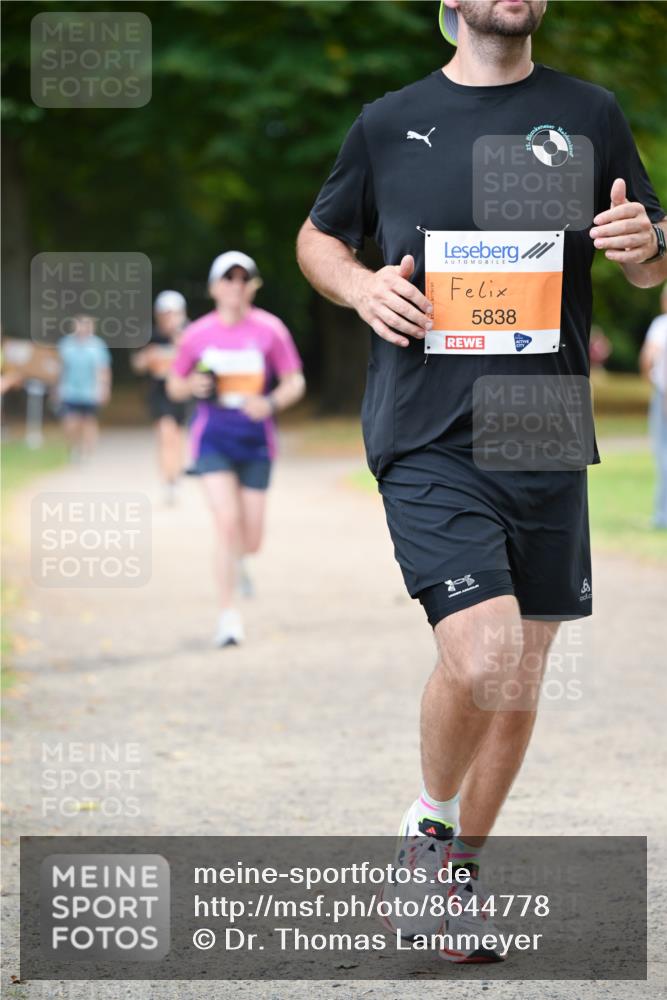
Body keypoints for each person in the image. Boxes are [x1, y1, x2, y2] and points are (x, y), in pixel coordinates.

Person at [297, 0, 666, 963]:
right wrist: (359, 286)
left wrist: (647, 247)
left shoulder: (588, 112)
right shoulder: (389, 121)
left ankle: (453, 877)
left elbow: (647, 256)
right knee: (483, 655)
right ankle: (425, 831)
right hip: (427, 427)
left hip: (543, 426)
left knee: (517, 676)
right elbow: (318, 239)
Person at [167, 251, 305, 647]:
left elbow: (294, 381)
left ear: (253, 287)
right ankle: (228, 616)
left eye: (244, 279)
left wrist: (271, 402)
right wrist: (191, 385)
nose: (236, 286)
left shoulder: (270, 330)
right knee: (226, 523)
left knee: (252, 540)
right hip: (213, 440)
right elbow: (175, 384)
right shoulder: (197, 334)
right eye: (228, 278)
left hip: (257, 443)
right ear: (214, 287)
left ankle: (241, 559)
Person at [133, 290, 189, 505]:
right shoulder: (150, 336)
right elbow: (137, 365)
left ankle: (176, 475)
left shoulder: (189, 334)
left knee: (178, 436)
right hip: (159, 393)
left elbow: (202, 363)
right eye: (165, 314)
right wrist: (147, 357)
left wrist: (181, 346)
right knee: (166, 434)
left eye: (173, 313)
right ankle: (168, 481)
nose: (169, 318)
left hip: (183, 392)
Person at [57, 314, 112, 461]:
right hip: (69, 390)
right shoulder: (66, 344)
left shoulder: (97, 345)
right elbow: (59, 368)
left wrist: (104, 388)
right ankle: (74, 448)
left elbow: (103, 369)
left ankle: (89, 452)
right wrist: (56, 388)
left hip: (90, 391)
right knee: (70, 422)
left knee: (89, 422)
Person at [640, 283, 667, 529]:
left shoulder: (661, 325)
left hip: (663, 394)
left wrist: (650, 381)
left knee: (663, 453)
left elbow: (648, 357)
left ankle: (663, 515)